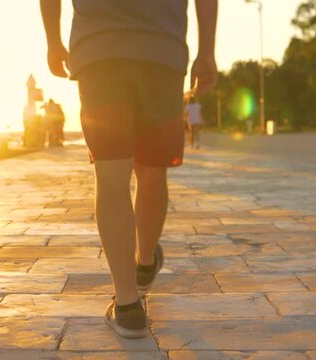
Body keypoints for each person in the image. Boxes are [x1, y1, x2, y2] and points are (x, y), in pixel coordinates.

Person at [41, 0, 217, 338]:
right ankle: (146, 260)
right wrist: (206, 50)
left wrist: (53, 40)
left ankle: (127, 306)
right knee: (152, 169)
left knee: (111, 175)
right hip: (161, 50)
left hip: (99, 50)